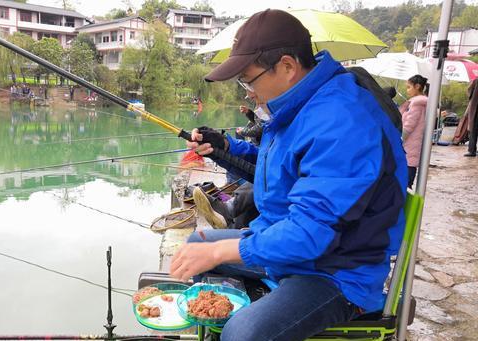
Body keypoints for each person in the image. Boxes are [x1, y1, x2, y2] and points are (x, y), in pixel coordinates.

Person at [170, 9, 407, 341]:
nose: (246, 92)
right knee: (197, 244)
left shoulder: (342, 119)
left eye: (248, 80)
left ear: (287, 66)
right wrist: (226, 146)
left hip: (335, 271)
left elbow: (310, 233)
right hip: (286, 247)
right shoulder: (298, 105)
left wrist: (221, 252)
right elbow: (277, 169)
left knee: (241, 334)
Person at [399, 74, 428, 188]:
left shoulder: (417, 103)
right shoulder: (418, 102)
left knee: (405, 183)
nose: (407, 90)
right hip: (412, 144)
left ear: (417, 86)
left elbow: (409, 125)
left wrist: (400, 139)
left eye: (409, 87)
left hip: (409, 144)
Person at [462, 78, 478, 156]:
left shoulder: (476, 80)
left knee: (473, 130)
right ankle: (472, 150)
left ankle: (472, 150)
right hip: (475, 108)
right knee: (473, 130)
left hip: (475, 108)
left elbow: (469, 92)